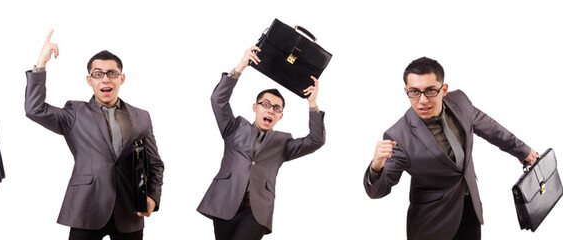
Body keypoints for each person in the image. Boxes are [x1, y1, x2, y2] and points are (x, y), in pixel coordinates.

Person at [363, 57, 539, 239]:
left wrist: (523, 150)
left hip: (470, 210)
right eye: (414, 92)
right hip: (432, 224)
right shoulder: (399, 136)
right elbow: (377, 191)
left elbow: (492, 129)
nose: (422, 100)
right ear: (406, 91)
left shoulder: (460, 102)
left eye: (430, 91)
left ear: (444, 89)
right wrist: (376, 166)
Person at [24, 30, 165, 240]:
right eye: (98, 74)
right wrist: (41, 63)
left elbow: (155, 164)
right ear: (89, 80)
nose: (105, 79)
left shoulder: (141, 116)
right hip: (86, 208)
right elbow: (34, 109)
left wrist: (153, 196)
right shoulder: (74, 113)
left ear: (122, 78)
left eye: (112, 73)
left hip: (129, 210)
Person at [197, 46, 326, 240]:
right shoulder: (235, 127)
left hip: (256, 212)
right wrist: (241, 66)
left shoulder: (283, 143)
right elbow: (218, 100)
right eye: (266, 105)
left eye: (276, 108)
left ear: (280, 116)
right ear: (255, 108)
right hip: (225, 203)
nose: (270, 110)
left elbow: (316, 140)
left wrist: (312, 104)